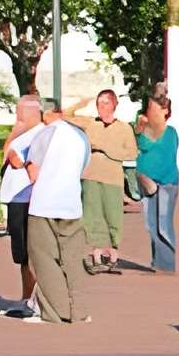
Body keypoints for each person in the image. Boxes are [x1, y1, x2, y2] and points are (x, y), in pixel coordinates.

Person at [24, 103, 92, 325]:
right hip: (72, 203)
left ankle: (55, 312)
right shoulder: (81, 137)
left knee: (44, 259)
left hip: (44, 204)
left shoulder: (44, 134)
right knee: (73, 260)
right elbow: (84, 168)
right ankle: (79, 311)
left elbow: (33, 173)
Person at [72, 87, 136, 273]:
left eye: (106, 103)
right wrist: (80, 103)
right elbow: (64, 116)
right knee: (92, 216)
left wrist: (105, 148)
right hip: (90, 175)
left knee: (113, 215)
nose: (101, 107)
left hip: (112, 178)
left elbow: (131, 153)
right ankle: (97, 255)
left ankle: (113, 255)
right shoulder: (91, 123)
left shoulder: (124, 128)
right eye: (98, 103)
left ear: (114, 105)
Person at [0, 94, 43, 318]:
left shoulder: (41, 134)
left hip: (28, 199)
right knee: (22, 255)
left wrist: (21, 161)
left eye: (19, 110)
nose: (16, 114)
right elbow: (5, 157)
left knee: (31, 253)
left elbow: (30, 165)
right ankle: (26, 298)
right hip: (16, 200)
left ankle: (36, 300)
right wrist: (15, 133)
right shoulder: (22, 134)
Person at [134, 89, 179, 272]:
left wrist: (156, 183)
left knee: (163, 224)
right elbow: (140, 144)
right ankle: (158, 261)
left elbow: (163, 157)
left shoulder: (170, 133)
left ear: (165, 111)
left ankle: (167, 264)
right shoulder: (145, 130)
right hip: (146, 183)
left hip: (165, 184)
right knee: (151, 224)